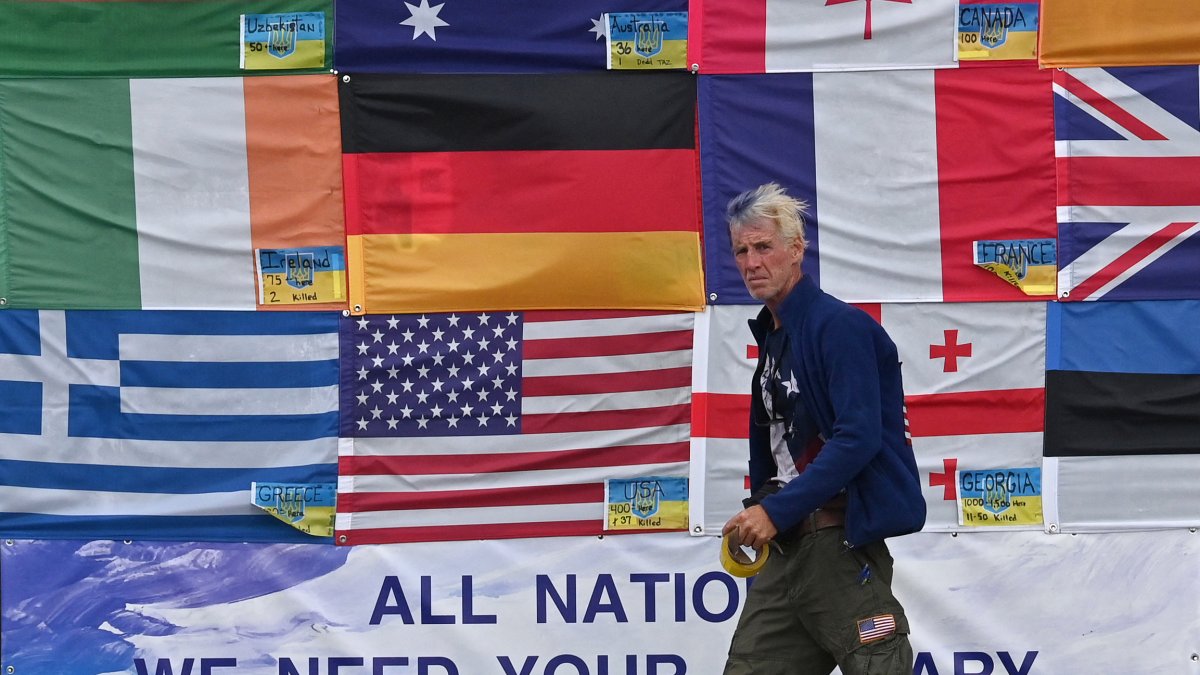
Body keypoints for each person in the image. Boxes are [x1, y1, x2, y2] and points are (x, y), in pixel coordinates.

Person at [721, 182, 926, 675]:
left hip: (837, 545)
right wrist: (762, 510)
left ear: (796, 249)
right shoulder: (774, 336)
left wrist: (776, 510)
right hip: (788, 549)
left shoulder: (839, 326)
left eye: (763, 247)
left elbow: (858, 438)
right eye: (741, 251)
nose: (751, 262)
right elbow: (777, 449)